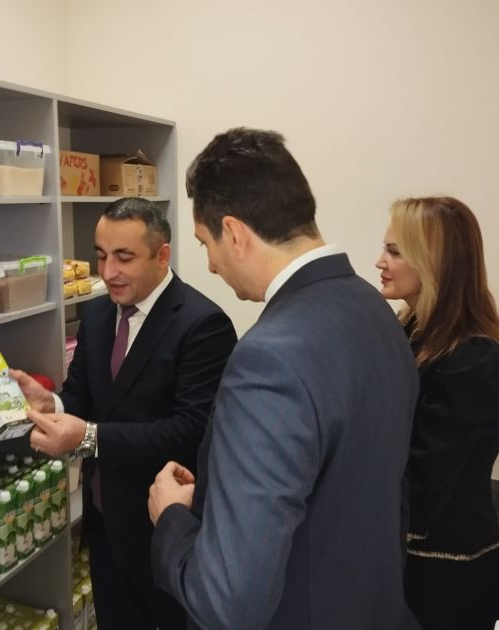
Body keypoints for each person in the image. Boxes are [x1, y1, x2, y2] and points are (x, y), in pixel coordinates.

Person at [147, 127, 420, 630]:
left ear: (234, 233)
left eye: (206, 243)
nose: (210, 265)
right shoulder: (373, 309)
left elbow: (227, 603)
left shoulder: (268, 359)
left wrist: (173, 520)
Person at [10, 197, 237, 630]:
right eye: (101, 255)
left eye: (124, 257)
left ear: (162, 255)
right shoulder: (97, 314)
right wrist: (52, 403)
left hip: (164, 529)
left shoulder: (203, 324)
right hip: (104, 523)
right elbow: (83, 396)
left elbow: (190, 431)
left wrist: (87, 437)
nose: (109, 271)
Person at [375, 196, 499, 630]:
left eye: (394, 251)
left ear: (434, 262)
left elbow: (424, 481)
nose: (380, 262)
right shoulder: (406, 330)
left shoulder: (475, 359)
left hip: (442, 580)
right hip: (401, 562)